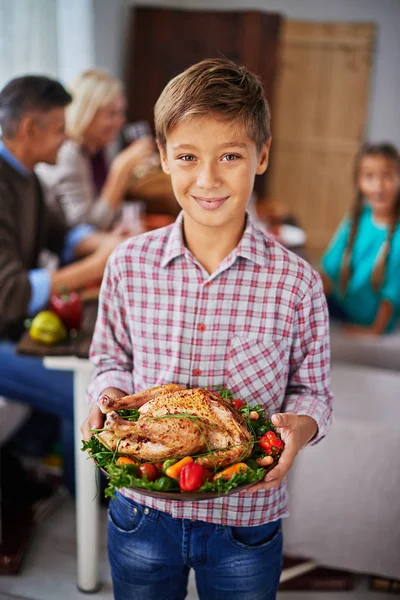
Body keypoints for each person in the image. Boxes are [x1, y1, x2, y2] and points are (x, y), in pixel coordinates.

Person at [81, 58, 333, 600]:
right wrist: (108, 396)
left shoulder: (298, 284)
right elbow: (109, 357)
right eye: (188, 157)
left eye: (230, 156)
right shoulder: (128, 264)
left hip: (245, 520)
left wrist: (302, 427)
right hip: (141, 510)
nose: (208, 179)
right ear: (164, 159)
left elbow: (313, 390)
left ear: (261, 156)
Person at [0, 75, 123, 493]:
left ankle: (33, 464)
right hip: (4, 333)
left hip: (17, 328)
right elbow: (10, 292)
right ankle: (89, 497)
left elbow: (65, 236)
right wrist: (97, 264)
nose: (66, 136)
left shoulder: (27, 177)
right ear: (28, 130)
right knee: (85, 393)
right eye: (58, 128)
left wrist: (106, 243)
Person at [37, 69, 155, 230]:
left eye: (121, 112)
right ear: (86, 113)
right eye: (111, 114)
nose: (120, 122)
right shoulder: (67, 153)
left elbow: (109, 209)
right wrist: (120, 170)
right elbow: (87, 228)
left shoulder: (96, 150)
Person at [321, 143, 400, 335]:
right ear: (359, 182)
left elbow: (392, 294)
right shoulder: (356, 219)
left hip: (372, 320)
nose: (379, 186)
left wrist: (372, 331)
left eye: (387, 176)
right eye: (369, 177)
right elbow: (328, 272)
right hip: (342, 306)